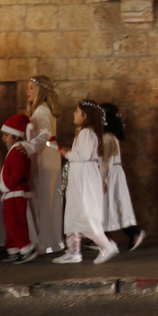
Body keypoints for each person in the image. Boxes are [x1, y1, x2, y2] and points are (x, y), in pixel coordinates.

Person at [53, 100, 120, 265]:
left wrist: (64, 152)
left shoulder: (86, 133)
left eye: (77, 112)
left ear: (85, 115)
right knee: (73, 212)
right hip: (80, 174)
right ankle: (73, 251)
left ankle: (106, 245)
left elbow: (82, 155)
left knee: (84, 212)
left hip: (83, 175)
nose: (74, 114)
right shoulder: (86, 133)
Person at [24, 75, 64, 254]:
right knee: (50, 199)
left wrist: (29, 147)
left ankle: (46, 242)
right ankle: (51, 240)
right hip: (50, 156)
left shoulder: (41, 110)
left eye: (31, 87)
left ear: (41, 90)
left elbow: (45, 133)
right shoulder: (45, 109)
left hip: (45, 158)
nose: (27, 91)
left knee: (44, 199)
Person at [100, 103, 145, 252]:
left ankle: (133, 232)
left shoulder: (108, 137)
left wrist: (104, 179)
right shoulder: (109, 136)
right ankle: (102, 237)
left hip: (111, 175)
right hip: (112, 174)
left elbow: (107, 161)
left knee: (116, 205)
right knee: (108, 206)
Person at [0, 113, 39, 263]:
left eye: (6, 135)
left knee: (16, 221)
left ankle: (26, 247)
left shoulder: (17, 151)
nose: (3, 138)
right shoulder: (14, 150)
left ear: (16, 136)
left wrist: (6, 185)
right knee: (10, 221)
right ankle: (13, 248)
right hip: (12, 192)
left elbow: (17, 172)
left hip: (15, 191)